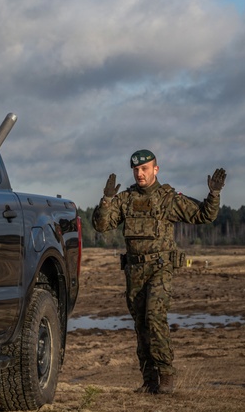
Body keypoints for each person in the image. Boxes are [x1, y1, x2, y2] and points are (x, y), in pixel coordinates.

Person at [92, 149, 226, 395]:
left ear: (156, 169)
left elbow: (203, 215)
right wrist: (107, 200)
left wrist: (214, 194)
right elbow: (101, 225)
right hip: (134, 270)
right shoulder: (125, 199)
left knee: (154, 317)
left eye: (144, 169)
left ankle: (166, 375)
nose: (139, 174)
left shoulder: (168, 198)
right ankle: (149, 380)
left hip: (160, 268)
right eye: (136, 170)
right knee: (141, 324)